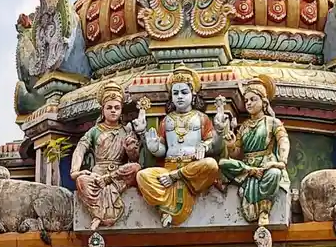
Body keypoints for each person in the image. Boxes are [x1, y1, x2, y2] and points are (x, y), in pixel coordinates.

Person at [135, 65, 226, 227]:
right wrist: (153, 146)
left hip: (193, 168)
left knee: (211, 165)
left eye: (184, 92)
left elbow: (216, 147)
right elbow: (162, 150)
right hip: (169, 167)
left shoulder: (201, 118)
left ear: (193, 95)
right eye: (175, 93)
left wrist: (215, 135)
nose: (180, 97)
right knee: (142, 176)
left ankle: (176, 177)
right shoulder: (167, 120)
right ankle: (165, 207)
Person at [219, 75, 290, 226]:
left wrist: (281, 161)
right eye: (246, 101)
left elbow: (283, 140)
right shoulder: (243, 127)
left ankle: (264, 211)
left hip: (266, 165)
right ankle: (250, 173)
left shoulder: (272, 122)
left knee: (275, 174)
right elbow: (236, 154)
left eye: (253, 99)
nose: (249, 103)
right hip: (247, 167)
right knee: (223, 164)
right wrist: (231, 145)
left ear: (264, 102)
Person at [70, 82, 141, 230]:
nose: (113, 111)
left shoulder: (126, 131)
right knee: (82, 181)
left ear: (121, 110)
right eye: (109, 108)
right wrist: (75, 172)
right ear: (103, 110)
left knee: (135, 168)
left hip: (117, 174)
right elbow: (80, 148)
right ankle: (101, 214)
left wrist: (130, 150)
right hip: (98, 174)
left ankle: (99, 216)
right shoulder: (95, 131)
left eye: (117, 108)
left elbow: (134, 159)